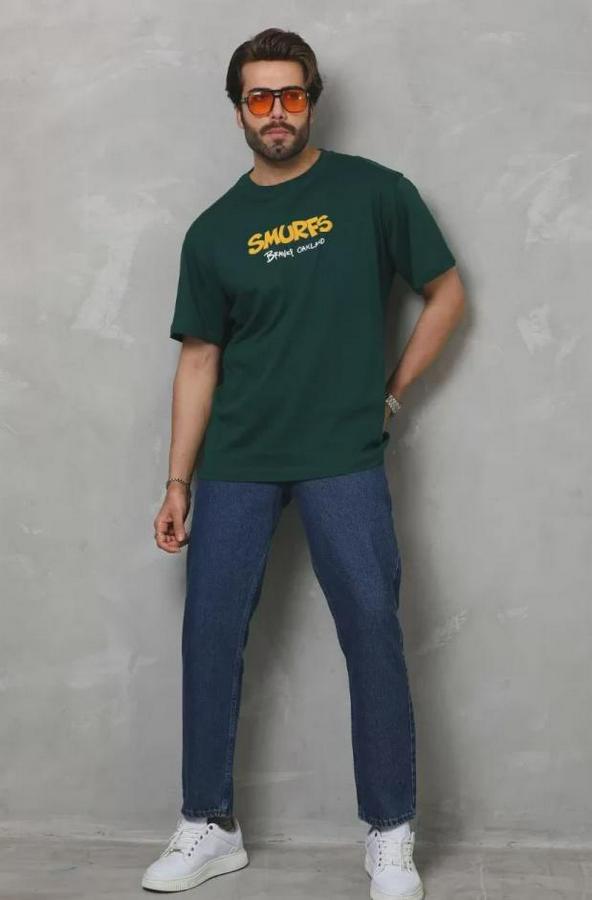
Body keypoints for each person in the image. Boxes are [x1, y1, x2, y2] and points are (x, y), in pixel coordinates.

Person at [142, 26, 465, 899]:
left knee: (371, 629)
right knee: (209, 635)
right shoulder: (213, 231)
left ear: (311, 100)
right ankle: (210, 825)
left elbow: (446, 293)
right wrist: (177, 481)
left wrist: (389, 394)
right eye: (259, 97)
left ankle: (390, 833)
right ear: (239, 109)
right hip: (237, 458)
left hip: (340, 454)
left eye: (291, 94)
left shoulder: (374, 193)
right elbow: (199, 361)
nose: (276, 111)